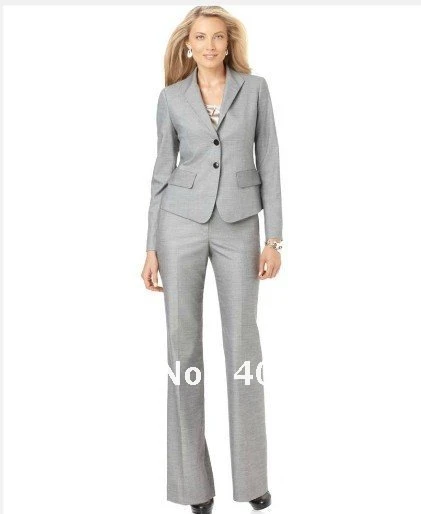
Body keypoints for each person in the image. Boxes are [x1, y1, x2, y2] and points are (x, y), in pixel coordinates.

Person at [141, 6, 283, 513]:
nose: (208, 45)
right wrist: (151, 246)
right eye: (199, 37)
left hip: (239, 225)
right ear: (188, 44)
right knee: (182, 349)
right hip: (179, 223)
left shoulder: (256, 89)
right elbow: (162, 169)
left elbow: (270, 160)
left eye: (217, 37)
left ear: (228, 43)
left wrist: (275, 239)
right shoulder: (171, 97)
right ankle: (192, 487)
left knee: (244, 348)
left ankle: (252, 480)